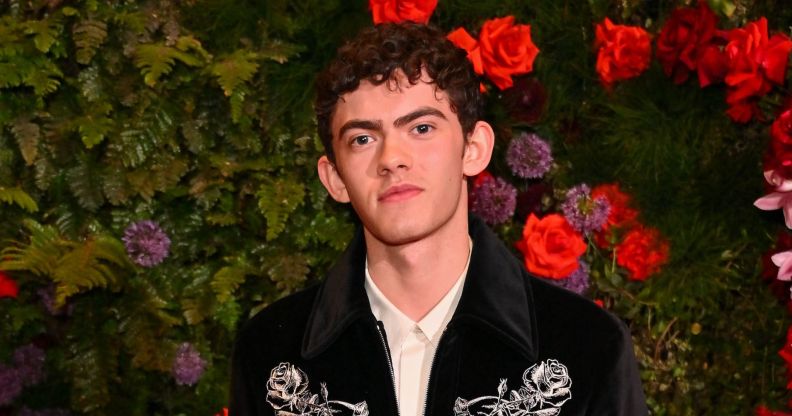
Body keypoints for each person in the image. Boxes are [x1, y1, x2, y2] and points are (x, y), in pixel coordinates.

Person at [229, 23, 648, 416]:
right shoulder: (269, 353)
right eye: (362, 139)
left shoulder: (588, 347)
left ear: (474, 148)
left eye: (422, 128)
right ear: (335, 178)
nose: (392, 158)